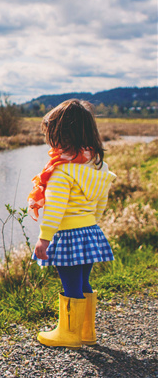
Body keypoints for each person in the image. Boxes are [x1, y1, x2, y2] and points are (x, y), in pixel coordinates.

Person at [28, 99, 116, 349]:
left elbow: (55, 209)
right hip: (90, 232)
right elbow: (101, 202)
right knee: (83, 282)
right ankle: (86, 332)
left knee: (70, 286)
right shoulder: (98, 166)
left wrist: (44, 238)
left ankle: (68, 334)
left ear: (60, 135)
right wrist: (91, 225)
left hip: (67, 234)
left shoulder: (62, 171)